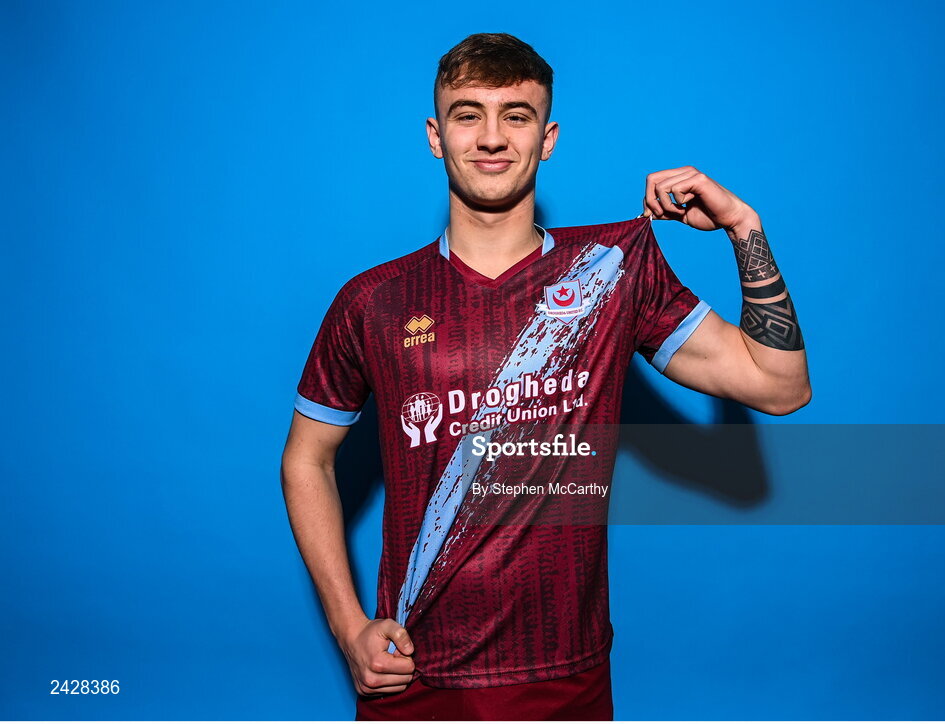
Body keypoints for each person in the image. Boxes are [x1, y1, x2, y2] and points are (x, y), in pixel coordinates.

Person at [280, 32, 810, 721]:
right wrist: (349, 628)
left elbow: (779, 385)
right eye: (468, 115)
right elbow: (305, 459)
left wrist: (745, 228)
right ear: (436, 137)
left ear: (548, 137)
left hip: (567, 675)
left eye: (517, 115)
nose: (492, 137)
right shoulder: (374, 300)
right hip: (414, 675)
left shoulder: (612, 272)